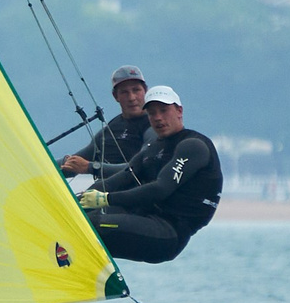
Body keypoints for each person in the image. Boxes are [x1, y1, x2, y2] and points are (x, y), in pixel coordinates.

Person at [78, 85, 223, 263]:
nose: (158, 118)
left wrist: (106, 199)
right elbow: (117, 180)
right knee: (76, 218)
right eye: (152, 113)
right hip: (145, 219)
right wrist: (77, 202)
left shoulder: (193, 146)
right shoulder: (151, 150)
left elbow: (161, 188)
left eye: (164, 111)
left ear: (179, 111)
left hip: (168, 234)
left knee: (90, 225)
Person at [60, 66, 152, 178]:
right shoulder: (110, 130)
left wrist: (91, 167)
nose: (131, 97)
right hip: (102, 193)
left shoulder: (155, 125)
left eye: (136, 90)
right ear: (115, 96)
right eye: (124, 92)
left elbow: (144, 166)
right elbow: (72, 165)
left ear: (146, 91)